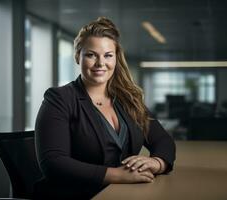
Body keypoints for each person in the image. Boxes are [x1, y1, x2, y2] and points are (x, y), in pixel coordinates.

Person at [33, 17, 176, 200]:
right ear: (78, 56)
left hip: (121, 194)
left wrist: (157, 163)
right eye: (91, 55)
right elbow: (54, 163)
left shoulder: (127, 99)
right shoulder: (59, 99)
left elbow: (163, 139)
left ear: (116, 58)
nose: (101, 63)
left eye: (108, 55)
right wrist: (119, 175)